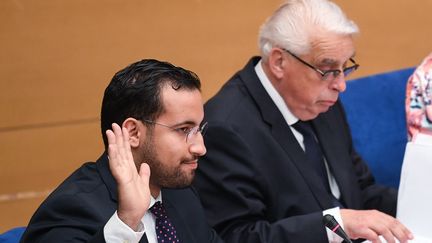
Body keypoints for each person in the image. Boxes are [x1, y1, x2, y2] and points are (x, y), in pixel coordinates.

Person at [193, 0, 414, 242]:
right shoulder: (225, 129)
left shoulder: (322, 100)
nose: (341, 85)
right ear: (279, 62)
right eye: (327, 69)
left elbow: (360, 190)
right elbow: (237, 236)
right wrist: (335, 226)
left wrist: (421, 206)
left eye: (345, 67)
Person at [21, 59, 223, 243]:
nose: (201, 147)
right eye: (184, 130)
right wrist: (126, 222)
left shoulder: (181, 195)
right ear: (133, 132)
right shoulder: (71, 209)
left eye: (199, 129)